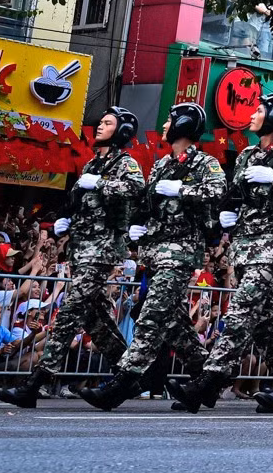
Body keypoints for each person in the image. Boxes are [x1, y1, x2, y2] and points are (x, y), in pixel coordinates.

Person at [169, 93, 273, 414]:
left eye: (260, 110)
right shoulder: (248, 154)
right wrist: (228, 213)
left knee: (239, 314)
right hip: (246, 248)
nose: (253, 115)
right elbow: (235, 192)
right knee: (264, 324)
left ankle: (207, 382)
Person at [0, 107, 147, 408]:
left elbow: (136, 187)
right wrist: (69, 221)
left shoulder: (124, 163)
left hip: (102, 251)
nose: (100, 127)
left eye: (107, 123)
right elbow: (85, 203)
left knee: (69, 312)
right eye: (101, 122)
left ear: (122, 131)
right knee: (96, 318)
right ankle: (130, 375)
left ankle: (34, 383)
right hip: (83, 249)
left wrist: (101, 184)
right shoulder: (93, 162)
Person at [82, 102, 225, 410]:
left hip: (181, 253)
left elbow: (217, 191)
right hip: (155, 253)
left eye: (170, 120)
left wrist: (183, 191)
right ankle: (205, 378)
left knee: (151, 318)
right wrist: (138, 226)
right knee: (173, 323)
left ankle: (122, 383)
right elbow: (148, 203)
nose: (164, 126)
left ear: (184, 125)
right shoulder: (161, 164)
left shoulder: (205, 163)